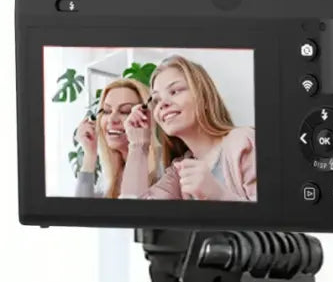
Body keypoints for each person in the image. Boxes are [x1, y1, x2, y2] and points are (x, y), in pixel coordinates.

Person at [121, 54, 256, 201]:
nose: (162, 104)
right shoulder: (177, 172)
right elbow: (135, 212)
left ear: (204, 97)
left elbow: (272, 218)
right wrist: (138, 144)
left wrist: (218, 194)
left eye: (175, 91)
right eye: (156, 100)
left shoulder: (243, 141)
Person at [71, 77, 163, 198]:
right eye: (107, 111)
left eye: (125, 111)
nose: (112, 119)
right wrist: (90, 155)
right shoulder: (113, 172)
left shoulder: (165, 169)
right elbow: (81, 213)